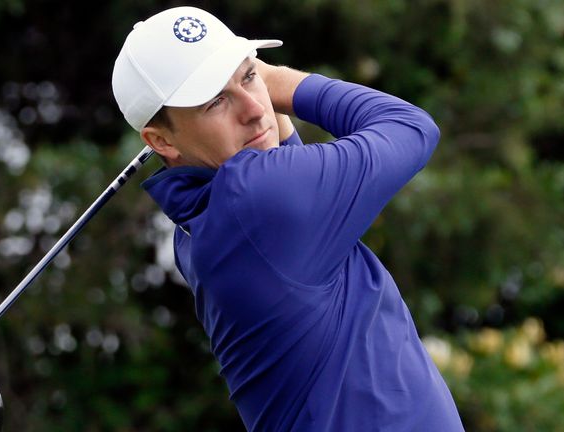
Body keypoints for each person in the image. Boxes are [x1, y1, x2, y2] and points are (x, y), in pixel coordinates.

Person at [112, 6, 464, 432]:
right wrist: (274, 80)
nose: (254, 110)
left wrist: (246, 90)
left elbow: (278, 150)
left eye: (247, 77)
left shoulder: (200, 221)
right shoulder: (260, 199)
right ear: (160, 140)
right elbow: (411, 127)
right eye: (216, 101)